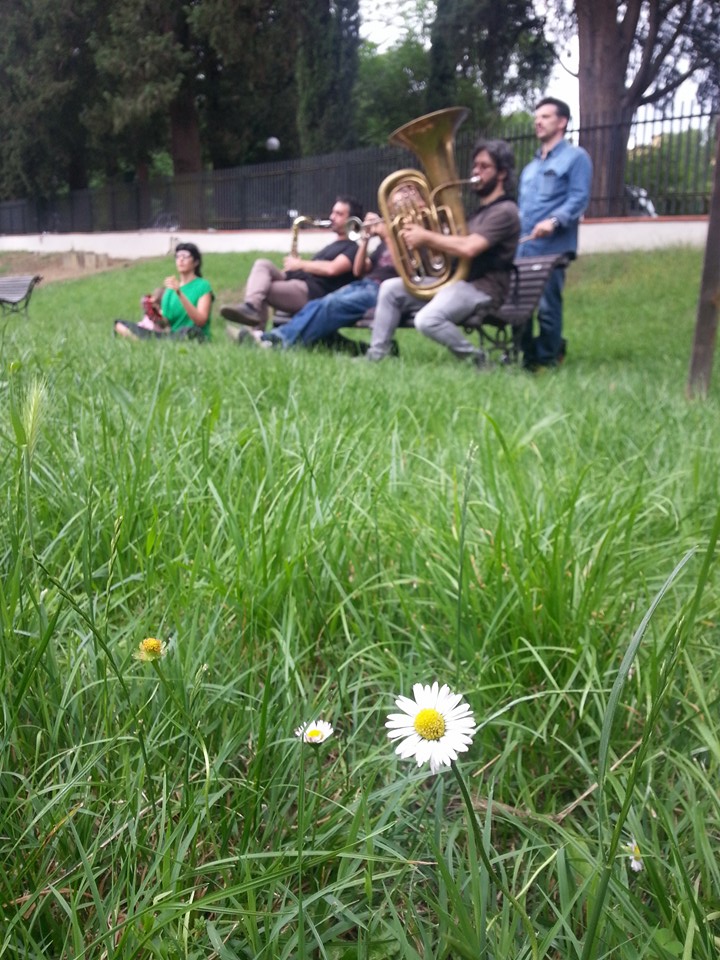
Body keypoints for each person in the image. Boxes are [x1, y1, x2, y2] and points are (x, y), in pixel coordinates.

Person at [365, 139, 520, 365]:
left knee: (427, 320)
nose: (476, 171)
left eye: (484, 167)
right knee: (390, 289)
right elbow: (452, 246)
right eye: (475, 165)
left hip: (482, 288)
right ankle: (376, 356)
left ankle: (480, 362)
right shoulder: (479, 213)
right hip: (456, 284)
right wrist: (422, 231)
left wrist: (426, 236)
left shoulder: (505, 211)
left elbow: (469, 247)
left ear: (502, 174)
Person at [242, 210, 398, 350]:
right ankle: (264, 331)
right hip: (363, 285)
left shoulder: (403, 241)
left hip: (385, 290)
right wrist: (365, 239)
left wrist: (387, 236)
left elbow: (333, 269)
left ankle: (275, 340)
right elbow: (360, 270)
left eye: (339, 214)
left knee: (330, 304)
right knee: (321, 303)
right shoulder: (382, 245)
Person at [517, 96, 593, 369]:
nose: (538, 121)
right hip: (523, 248)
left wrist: (554, 221)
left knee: (548, 307)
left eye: (545, 117)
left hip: (552, 248)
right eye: (537, 117)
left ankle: (547, 358)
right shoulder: (529, 169)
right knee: (520, 307)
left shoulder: (576, 158)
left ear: (562, 122)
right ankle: (527, 356)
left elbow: (579, 198)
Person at [221, 196, 363, 330]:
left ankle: (255, 332)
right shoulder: (332, 246)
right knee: (262, 264)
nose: (332, 217)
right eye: (333, 212)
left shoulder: (353, 248)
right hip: (298, 282)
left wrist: (300, 264)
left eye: (339, 214)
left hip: (313, 293)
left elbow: (332, 269)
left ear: (352, 220)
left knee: (263, 290)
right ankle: (251, 308)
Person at [113, 242, 213, 341]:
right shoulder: (169, 290)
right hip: (171, 336)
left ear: (196, 262)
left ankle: (149, 342)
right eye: (177, 257)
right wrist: (153, 313)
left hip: (192, 334)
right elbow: (165, 324)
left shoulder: (203, 286)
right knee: (119, 324)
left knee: (188, 331)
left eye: (185, 256)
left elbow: (201, 321)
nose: (181, 260)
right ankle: (146, 342)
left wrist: (180, 294)